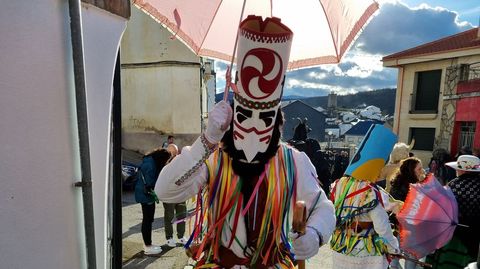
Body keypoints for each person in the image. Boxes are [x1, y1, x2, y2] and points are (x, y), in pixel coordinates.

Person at [155, 15, 335, 268]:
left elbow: (323, 206)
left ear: (276, 122)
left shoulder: (293, 160)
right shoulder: (214, 156)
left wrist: (315, 234)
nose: (252, 125)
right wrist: (207, 140)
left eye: (263, 119)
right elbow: (165, 190)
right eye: (244, 115)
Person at [330, 124, 399, 269]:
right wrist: (393, 248)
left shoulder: (339, 184)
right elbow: (382, 226)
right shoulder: (370, 191)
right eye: (381, 168)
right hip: (364, 252)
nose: (381, 173)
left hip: (341, 247)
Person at [426, 155, 480, 268]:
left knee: (448, 264)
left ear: (462, 170)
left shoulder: (453, 185)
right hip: (475, 236)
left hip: (453, 234)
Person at [388, 157, 425, 269]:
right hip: (407, 227)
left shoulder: (398, 183)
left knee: (395, 256)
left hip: (397, 226)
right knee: (410, 257)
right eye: (419, 169)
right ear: (411, 170)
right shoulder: (411, 187)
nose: (422, 171)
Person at [134, 148, 171, 255]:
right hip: (146, 195)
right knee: (147, 220)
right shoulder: (151, 165)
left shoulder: (149, 160)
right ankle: (147, 246)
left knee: (148, 219)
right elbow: (150, 183)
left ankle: (148, 244)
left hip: (144, 194)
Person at [162, 143, 188, 247]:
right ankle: (169, 238)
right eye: (172, 152)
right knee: (169, 217)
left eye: (176, 152)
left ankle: (181, 236)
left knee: (182, 215)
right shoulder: (164, 163)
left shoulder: (181, 162)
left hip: (180, 194)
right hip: (169, 195)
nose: (174, 154)